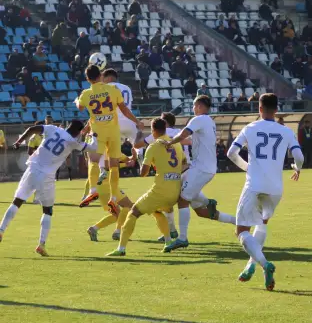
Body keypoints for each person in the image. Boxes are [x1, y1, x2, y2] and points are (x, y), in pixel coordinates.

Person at [226, 93, 304, 290]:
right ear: (276, 109)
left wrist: (247, 168)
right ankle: (250, 266)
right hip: (275, 188)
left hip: (254, 184)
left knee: (241, 230)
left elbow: (231, 153)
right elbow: (299, 156)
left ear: (259, 109)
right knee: (261, 223)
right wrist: (296, 167)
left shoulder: (250, 128)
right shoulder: (285, 131)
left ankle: (264, 264)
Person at [0, 121, 95, 256]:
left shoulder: (53, 129)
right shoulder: (72, 142)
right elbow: (93, 148)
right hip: (47, 177)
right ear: (78, 132)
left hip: (32, 169)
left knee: (17, 201)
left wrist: (19, 141)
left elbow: (32, 129)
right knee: (47, 210)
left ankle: (1, 229)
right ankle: (41, 244)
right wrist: (94, 135)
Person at [161, 95, 235, 252]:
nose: (193, 108)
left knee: (182, 200)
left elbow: (183, 134)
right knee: (201, 212)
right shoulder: (209, 121)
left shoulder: (198, 120)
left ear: (200, 106)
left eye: (194, 106)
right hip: (201, 167)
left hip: (201, 168)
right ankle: (236, 221)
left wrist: (169, 143)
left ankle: (182, 238)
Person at [106, 118, 186, 256]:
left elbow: (143, 173)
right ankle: (167, 242)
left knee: (134, 212)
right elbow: (184, 162)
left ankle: (121, 249)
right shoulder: (176, 145)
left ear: (153, 131)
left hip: (160, 191)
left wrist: (138, 158)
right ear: (165, 129)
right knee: (156, 211)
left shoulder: (153, 146)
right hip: (175, 192)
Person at [76, 65, 143, 215]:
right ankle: (113, 196)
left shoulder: (86, 93)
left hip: (98, 132)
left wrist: (76, 101)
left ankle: (92, 190)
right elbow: (125, 110)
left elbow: (80, 108)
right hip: (114, 131)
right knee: (113, 165)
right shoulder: (113, 90)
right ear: (100, 75)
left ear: (87, 79)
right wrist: (137, 121)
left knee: (93, 160)